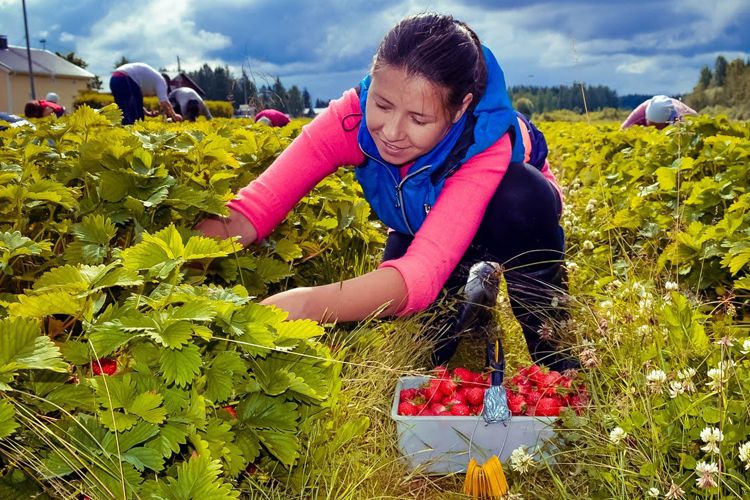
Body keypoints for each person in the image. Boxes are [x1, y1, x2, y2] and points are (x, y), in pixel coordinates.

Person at [197, 13, 576, 371]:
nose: (392, 133)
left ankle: (557, 355)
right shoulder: (350, 118)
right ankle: (474, 303)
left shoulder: (484, 142)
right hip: (423, 221)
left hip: (512, 217)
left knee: (519, 196)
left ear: (460, 109)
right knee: (431, 349)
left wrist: (305, 303)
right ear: (372, 81)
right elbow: (255, 208)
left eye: (418, 119)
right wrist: (173, 270)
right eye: (382, 104)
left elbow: (419, 276)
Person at [109, 62, 182, 125]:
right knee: (136, 119)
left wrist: (147, 113)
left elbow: (137, 102)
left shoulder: (147, 80)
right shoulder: (162, 81)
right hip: (125, 78)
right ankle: (135, 137)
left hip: (114, 78)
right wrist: (174, 116)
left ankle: (126, 135)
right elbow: (164, 102)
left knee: (123, 112)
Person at [620, 95, 697, 130]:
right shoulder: (640, 111)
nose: (655, 129)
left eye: (657, 126)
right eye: (651, 124)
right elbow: (622, 130)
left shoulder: (679, 116)